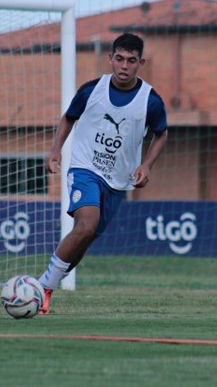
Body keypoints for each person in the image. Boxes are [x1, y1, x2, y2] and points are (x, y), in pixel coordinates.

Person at [38, 33, 168, 314]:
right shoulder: (91, 90)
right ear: (110, 58)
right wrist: (55, 150)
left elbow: (161, 134)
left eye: (131, 61)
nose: (124, 66)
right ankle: (41, 288)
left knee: (86, 236)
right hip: (85, 167)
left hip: (118, 180)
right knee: (86, 225)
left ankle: (48, 285)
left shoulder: (151, 100)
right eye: (119, 59)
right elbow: (68, 118)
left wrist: (146, 165)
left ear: (140, 63)